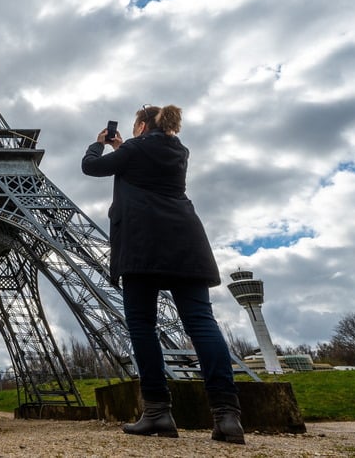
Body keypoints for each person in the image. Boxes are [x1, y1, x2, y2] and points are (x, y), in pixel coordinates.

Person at [81, 104, 244, 445]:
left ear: (140, 126)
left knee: (142, 325)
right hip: (186, 242)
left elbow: (91, 167)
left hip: (142, 244)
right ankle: (227, 415)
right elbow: (143, 166)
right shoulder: (179, 150)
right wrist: (124, 148)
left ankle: (157, 412)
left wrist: (99, 144)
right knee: (201, 322)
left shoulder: (134, 148)